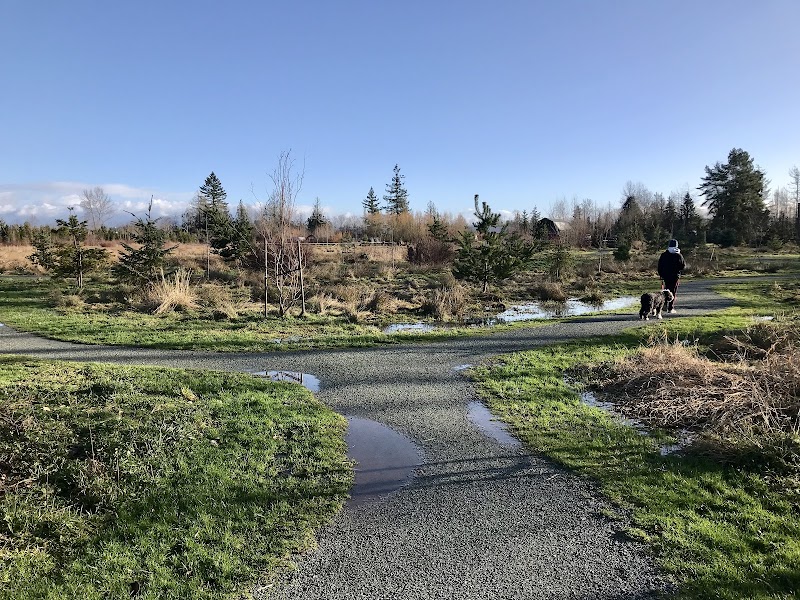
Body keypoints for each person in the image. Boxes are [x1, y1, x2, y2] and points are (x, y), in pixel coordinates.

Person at [657, 239, 686, 313]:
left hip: (665, 275)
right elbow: (683, 266)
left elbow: (660, 266)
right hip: (675, 276)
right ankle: (670, 308)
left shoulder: (664, 254)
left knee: (665, 290)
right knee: (673, 291)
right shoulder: (678, 255)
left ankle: (663, 304)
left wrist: (661, 274)